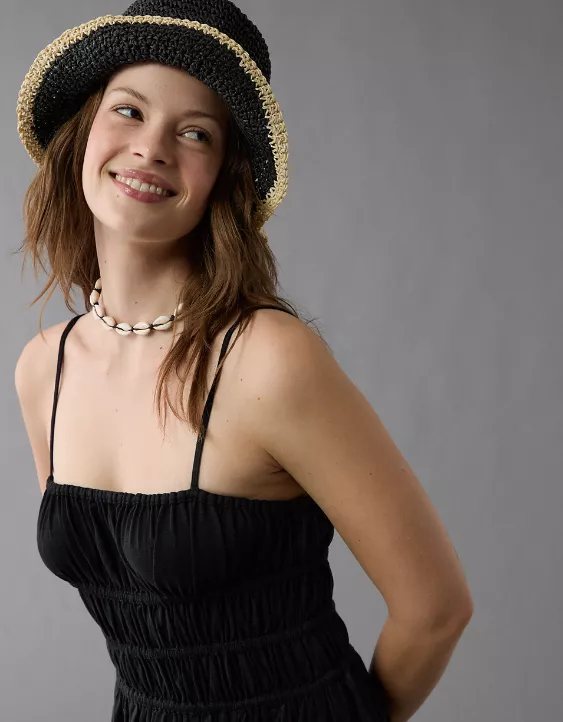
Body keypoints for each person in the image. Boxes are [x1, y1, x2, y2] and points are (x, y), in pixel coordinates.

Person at [14, 1, 473, 720]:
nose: (152, 148)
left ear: (223, 176)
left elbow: (435, 609)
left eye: (194, 132)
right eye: (128, 111)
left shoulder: (266, 360)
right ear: (82, 135)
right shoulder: (46, 369)